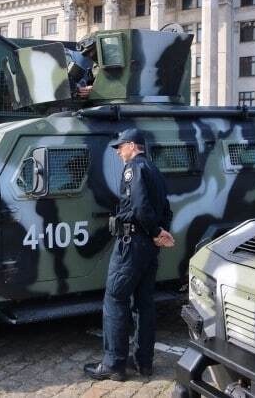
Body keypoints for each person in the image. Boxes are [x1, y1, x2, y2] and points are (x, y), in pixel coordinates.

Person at [84, 128, 175, 381]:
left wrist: (156, 231)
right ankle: (144, 362)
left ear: (132, 145)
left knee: (115, 299)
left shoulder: (133, 168)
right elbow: (166, 208)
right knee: (144, 303)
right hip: (148, 247)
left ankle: (114, 364)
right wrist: (160, 233)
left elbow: (139, 205)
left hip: (131, 244)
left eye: (120, 146)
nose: (117, 151)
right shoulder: (154, 170)